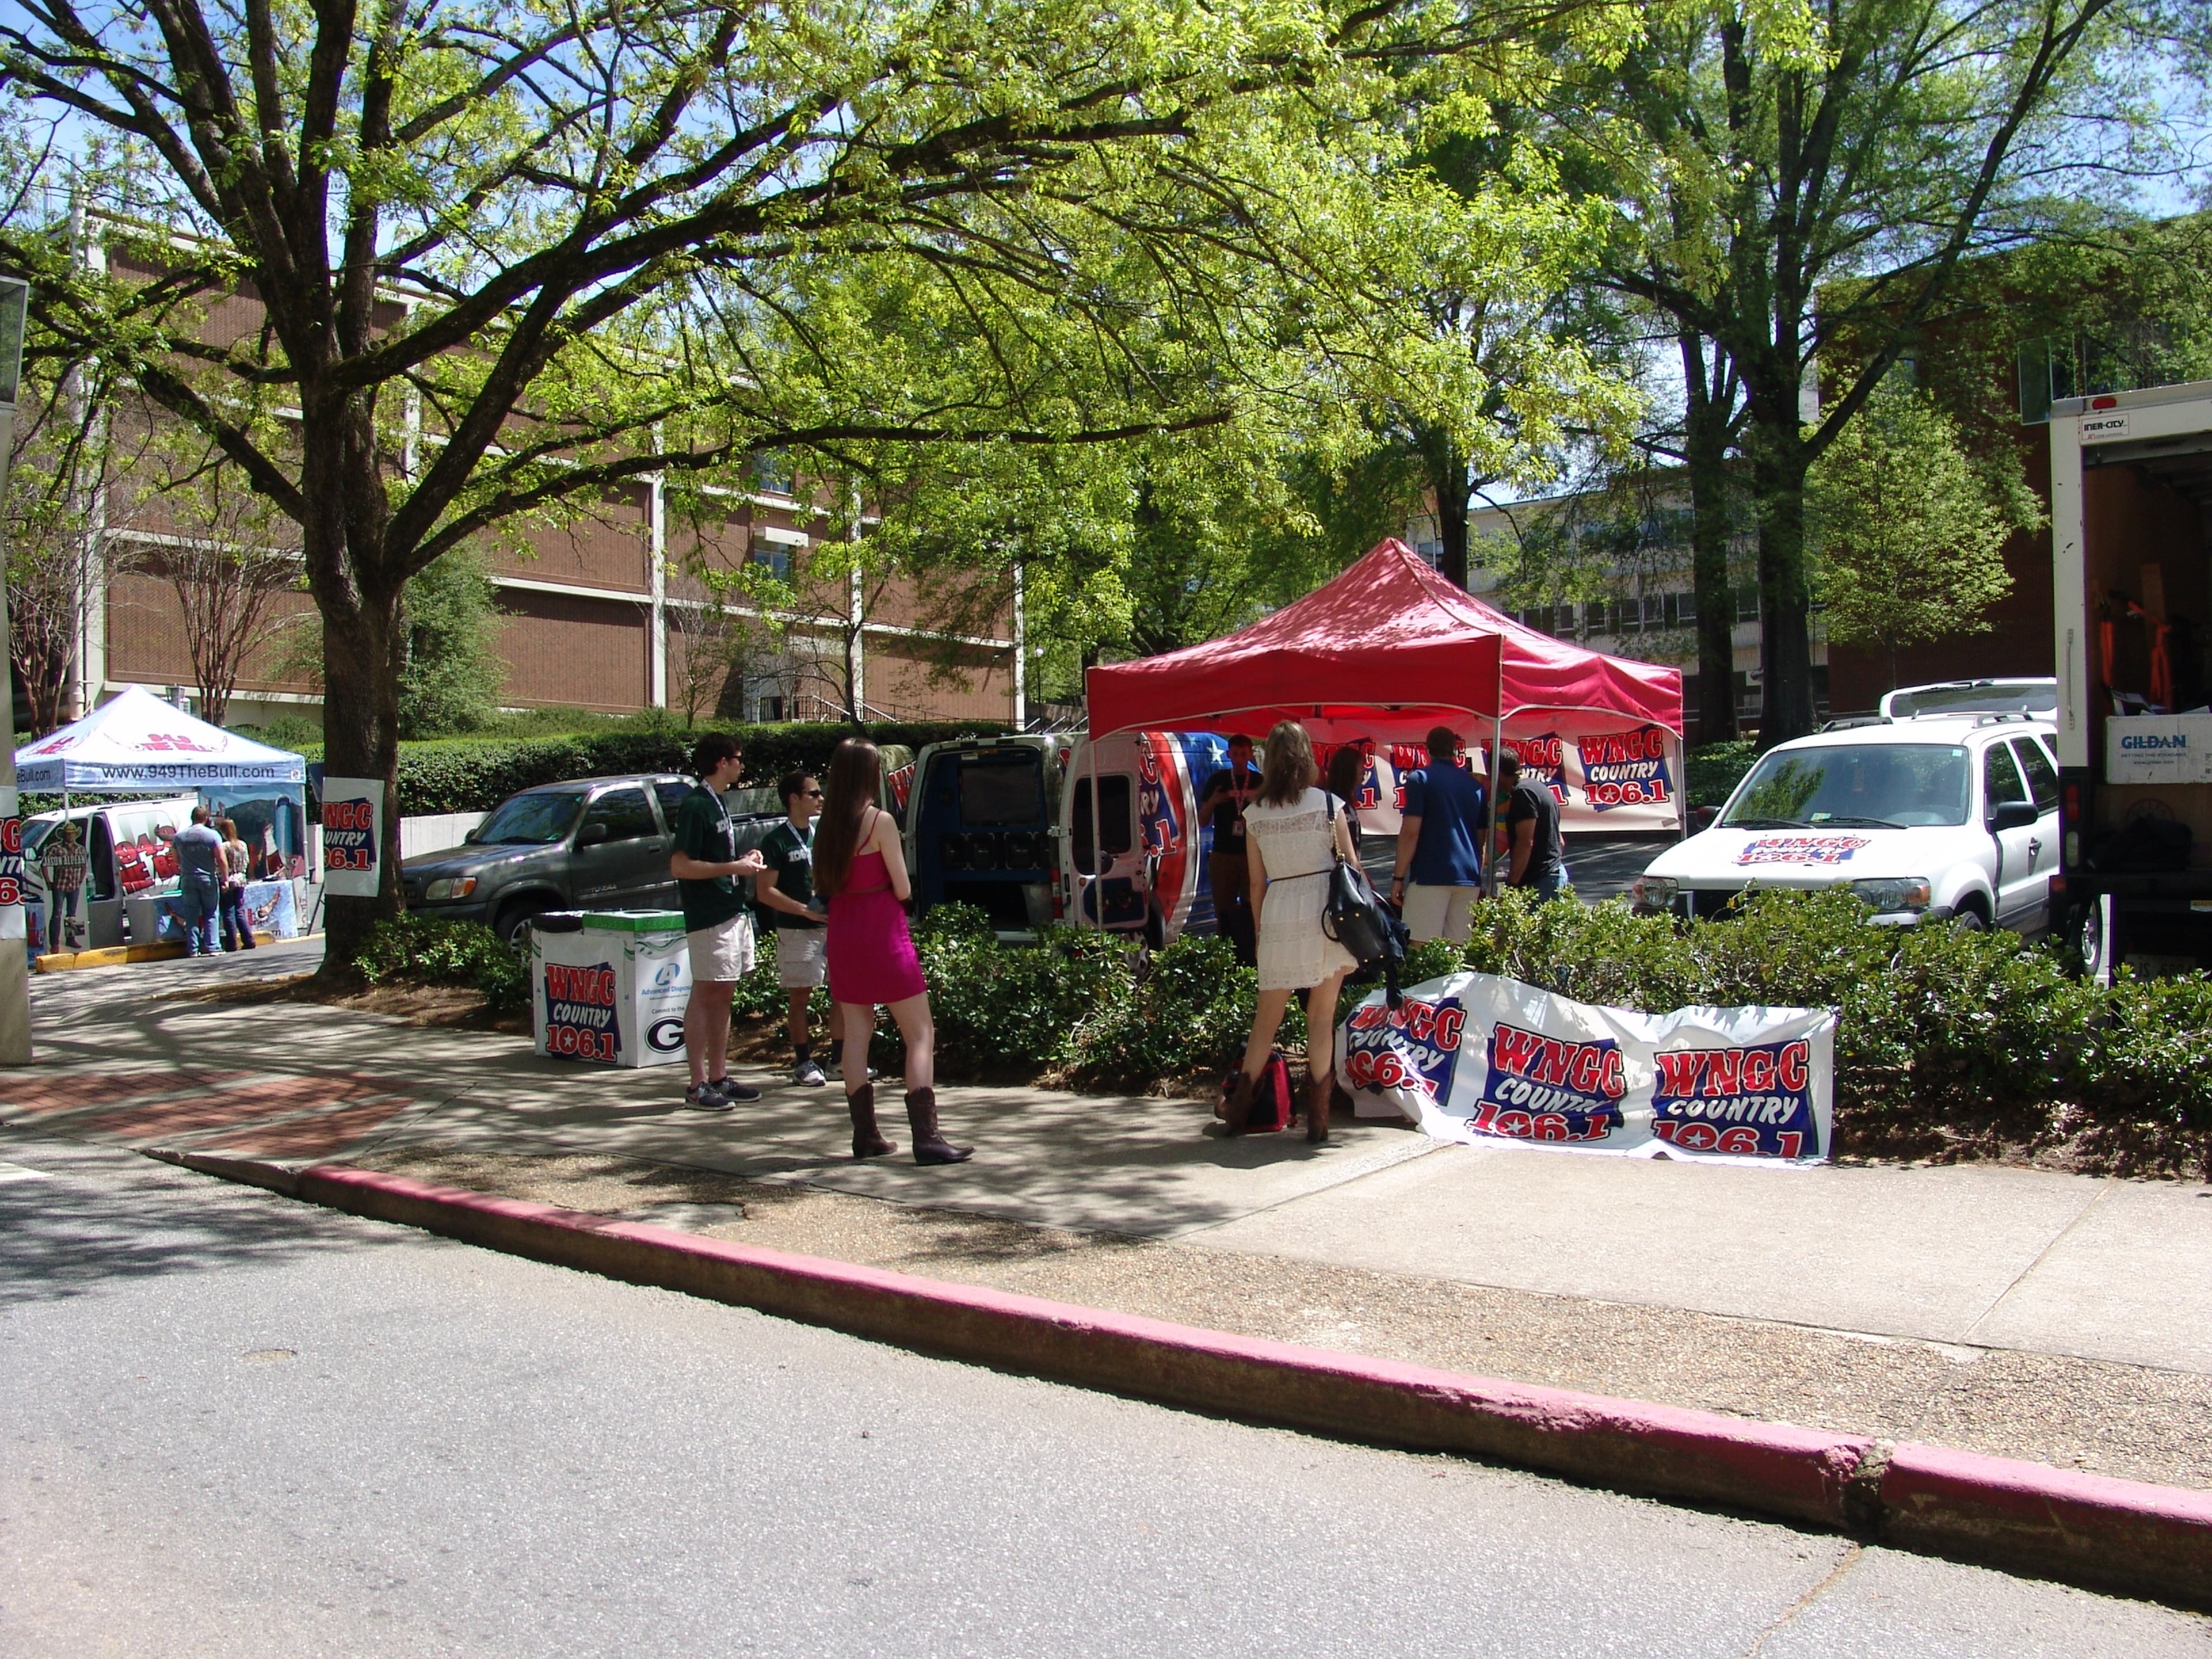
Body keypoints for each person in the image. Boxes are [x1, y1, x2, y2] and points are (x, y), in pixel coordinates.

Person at [815, 736, 971, 1165]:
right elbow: (902, 887)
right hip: (882, 934)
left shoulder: (826, 825)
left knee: (855, 1035)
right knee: (919, 1032)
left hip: (844, 934)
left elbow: (823, 884)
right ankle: (927, 1137)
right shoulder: (879, 821)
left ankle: (865, 1135)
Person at [1225, 719, 1359, 1144]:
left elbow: (1255, 883)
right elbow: (1353, 866)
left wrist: (1261, 932)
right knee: (1321, 1016)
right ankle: (1319, 1120)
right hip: (1326, 913)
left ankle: (1238, 1111)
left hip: (1280, 908)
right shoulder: (1328, 803)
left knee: (1267, 1017)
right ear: (1307, 758)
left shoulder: (1255, 813)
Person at [668, 733, 768, 1110]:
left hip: (730, 910)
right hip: (708, 915)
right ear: (722, 762)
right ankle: (696, 1085)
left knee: (724, 994)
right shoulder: (696, 805)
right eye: (738, 759)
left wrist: (743, 861)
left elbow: (717, 859)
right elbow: (680, 866)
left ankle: (719, 1076)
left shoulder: (717, 802)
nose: (742, 766)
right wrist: (734, 867)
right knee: (706, 993)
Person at [752, 771, 834, 1088]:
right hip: (797, 931)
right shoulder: (776, 841)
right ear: (794, 799)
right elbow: (765, 892)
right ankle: (803, 1063)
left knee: (843, 992)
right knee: (801, 996)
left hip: (831, 926)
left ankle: (840, 1059)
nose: (820, 798)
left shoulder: (822, 834)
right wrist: (804, 911)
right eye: (814, 793)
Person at [1389, 725, 1488, 945]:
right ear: (1454, 750)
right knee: (1457, 949)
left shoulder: (1420, 779)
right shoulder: (1475, 786)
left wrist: (1398, 877)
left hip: (1430, 874)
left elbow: (1411, 833)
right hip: (1469, 875)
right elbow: (1481, 839)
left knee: (1421, 946)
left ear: (1427, 750)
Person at [1197, 733, 1262, 966]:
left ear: (1250, 755)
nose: (1240, 759)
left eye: (1244, 754)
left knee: (1252, 907)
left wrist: (1256, 802)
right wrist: (1213, 801)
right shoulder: (1219, 780)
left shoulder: (1260, 782)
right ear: (1229, 755)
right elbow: (1202, 820)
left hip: (1251, 855)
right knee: (1223, 910)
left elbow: (1272, 818)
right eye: (1235, 754)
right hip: (1223, 854)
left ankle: (1251, 957)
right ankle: (1225, 959)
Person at [1497, 749, 1569, 900]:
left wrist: (1512, 884)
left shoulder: (1523, 793)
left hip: (1541, 881)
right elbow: (1560, 842)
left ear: (1499, 773)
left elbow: (1525, 842)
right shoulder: (1538, 787)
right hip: (1553, 874)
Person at [171, 807, 226, 957]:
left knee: (191, 914)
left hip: (188, 878)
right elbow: (221, 859)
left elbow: (176, 860)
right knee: (211, 912)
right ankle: (212, 946)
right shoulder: (212, 835)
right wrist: (225, 878)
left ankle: (193, 949)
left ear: (192, 817)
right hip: (207, 877)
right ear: (206, 818)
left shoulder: (179, 837)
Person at [39, 820, 88, 955]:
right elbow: (44, 865)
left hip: (74, 884)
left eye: (72, 833)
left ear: (75, 835)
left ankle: (71, 939)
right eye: (68, 833)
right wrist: (48, 881)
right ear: (64, 835)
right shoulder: (55, 848)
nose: (70, 836)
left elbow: (84, 865)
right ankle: (54, 943)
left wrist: (80, 880)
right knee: (57, 914)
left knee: (72, 914)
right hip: (60, 884)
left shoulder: (80, 849)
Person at [217, 817, 257, 952]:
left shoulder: (224, 846)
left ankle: (232, 943)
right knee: (239, 911)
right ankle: (249, 940)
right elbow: (246, 862)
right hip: (241, 879)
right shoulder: (243, 845)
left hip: (228, 879)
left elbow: (220, 864)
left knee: (228, 911)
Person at [1324, 744, 1369, 857]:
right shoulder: (1332, 802)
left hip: (1351, 864)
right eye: (1361, 767)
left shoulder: (1348, 802)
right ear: (1349, 769)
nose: (1364, 771)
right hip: (1337, 865)